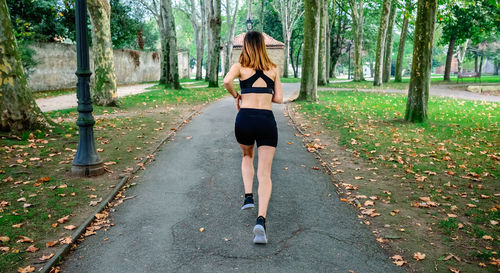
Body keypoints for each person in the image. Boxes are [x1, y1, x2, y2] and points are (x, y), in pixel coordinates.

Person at [223, 31, 283, 244]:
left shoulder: (239, 66)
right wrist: (264, 94)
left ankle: (248, 197)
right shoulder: (274, 68)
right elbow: (279, 98)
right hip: (266, 120)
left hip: (245, 118)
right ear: (264, 47)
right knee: (265, 173)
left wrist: (237, 95)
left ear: (246, 46)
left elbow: (227, 81)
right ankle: (261, 221)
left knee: (247, 157)